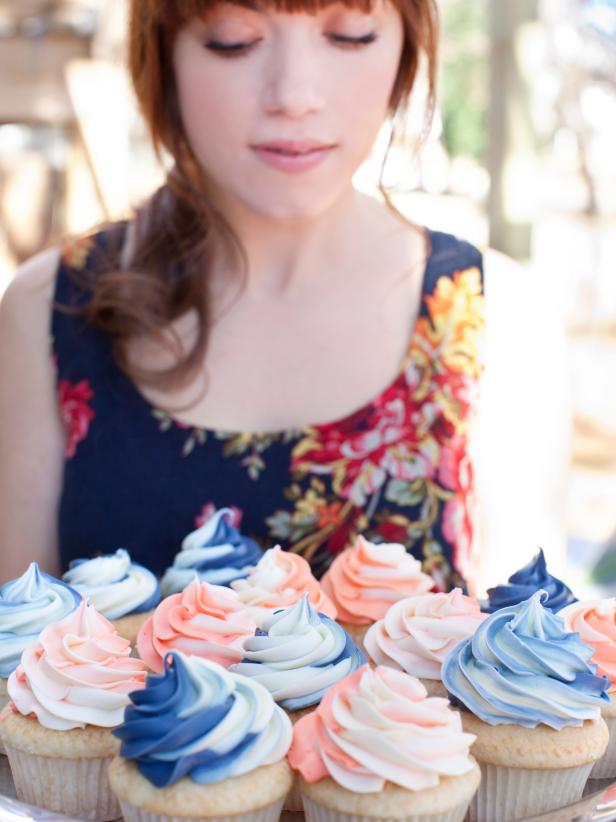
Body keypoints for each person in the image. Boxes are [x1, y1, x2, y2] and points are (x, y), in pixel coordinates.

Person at [0, 0, 569, 594]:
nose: (294, 95)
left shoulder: (497, 320)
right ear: (162, 53)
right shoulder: (50, 308)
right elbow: (13, 658)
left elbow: (528, 662)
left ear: (407, 49)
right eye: (233, 40)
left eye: (350, 36)